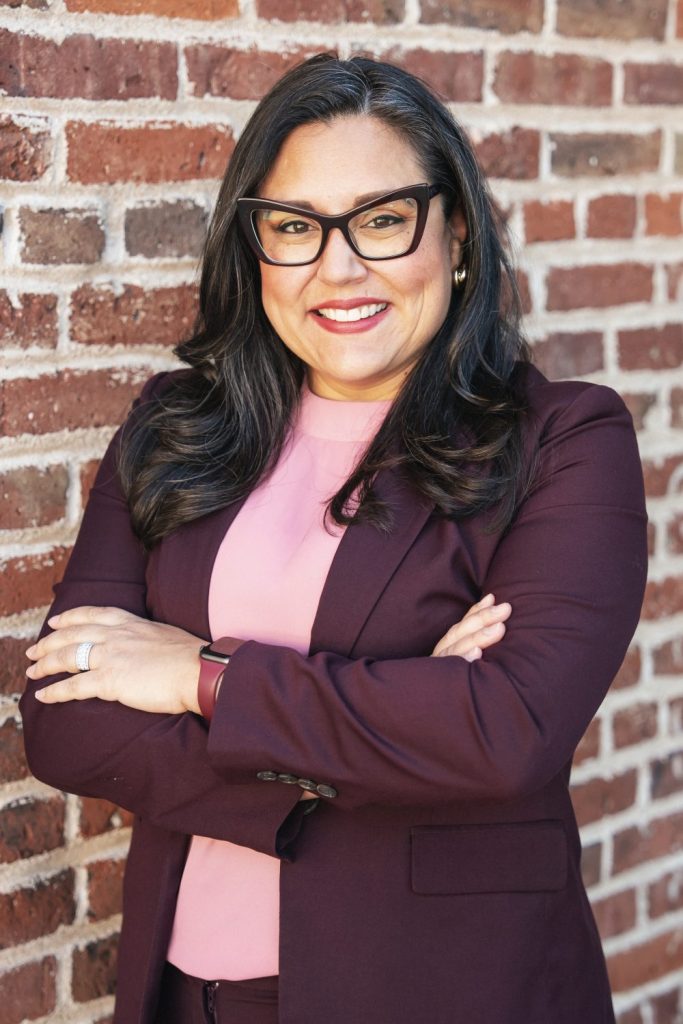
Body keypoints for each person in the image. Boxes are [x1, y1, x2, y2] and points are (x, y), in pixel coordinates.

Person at [20, 53, 647, 1024]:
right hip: (190, 995)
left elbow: (504, 730)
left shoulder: (563, 441)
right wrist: (390, 722)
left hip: (440, 993)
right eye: (294, 227)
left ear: (456, 235)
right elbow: (65, 718)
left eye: (381, 220)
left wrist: (198, 677)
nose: (338, 268)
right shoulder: (176, 427)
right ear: (254, 247)